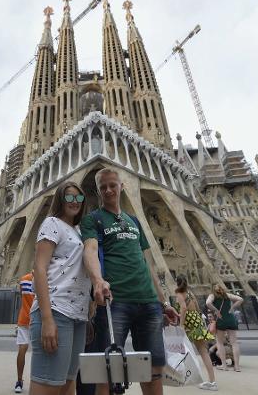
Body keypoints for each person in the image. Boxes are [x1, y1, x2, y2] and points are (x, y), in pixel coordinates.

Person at [80, 168, 179, 395]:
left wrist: (164, 303)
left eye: (112, 185)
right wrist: (97, 280)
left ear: (121, 186)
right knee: (107, 370)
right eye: (103, 187)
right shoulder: (93, 219)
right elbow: (91, 249)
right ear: (98, 190)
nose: (108, 190)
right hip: (116, 302)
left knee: (153, 369)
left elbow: (148, 264)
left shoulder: (133, 221)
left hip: (148, 302)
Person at [29, 181, 91, 395]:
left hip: (76, 316)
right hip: (56, 310)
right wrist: (47, 318)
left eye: (79, 198)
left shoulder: (79, 231)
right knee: (48, 386)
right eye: (70, 197)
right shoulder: (52, 223)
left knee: (67, 386)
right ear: (61, 200)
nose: (75, 202)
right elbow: (39, 267)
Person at [174, 275, 217, 391]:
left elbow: (183, 308)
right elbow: (197, 308)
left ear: (176, 283)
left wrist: (181, 325)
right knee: (202, 351)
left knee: (178, 349)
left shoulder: (179, 294)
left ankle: (210, 381)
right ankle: (212, 380)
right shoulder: (190, 293)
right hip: (196, 321)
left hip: (188, 324)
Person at [206, 284, 243, 372]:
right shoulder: (227, 295)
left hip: (221, 319)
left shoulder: (212, 295)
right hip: (231, 319)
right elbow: (241, 299)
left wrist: (216, 310)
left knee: (219, 342)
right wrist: (232, 307)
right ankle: (237, 366)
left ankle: (224, 365)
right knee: (234, 343)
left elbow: (208, 303)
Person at [14, 271, 34, 392]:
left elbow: (22, 295)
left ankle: (19, 381)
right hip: (38, 318)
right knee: (40, 352)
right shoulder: (46, 278)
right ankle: (38, 382)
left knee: (22, 349)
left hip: (24, 317)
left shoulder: (24, 279)